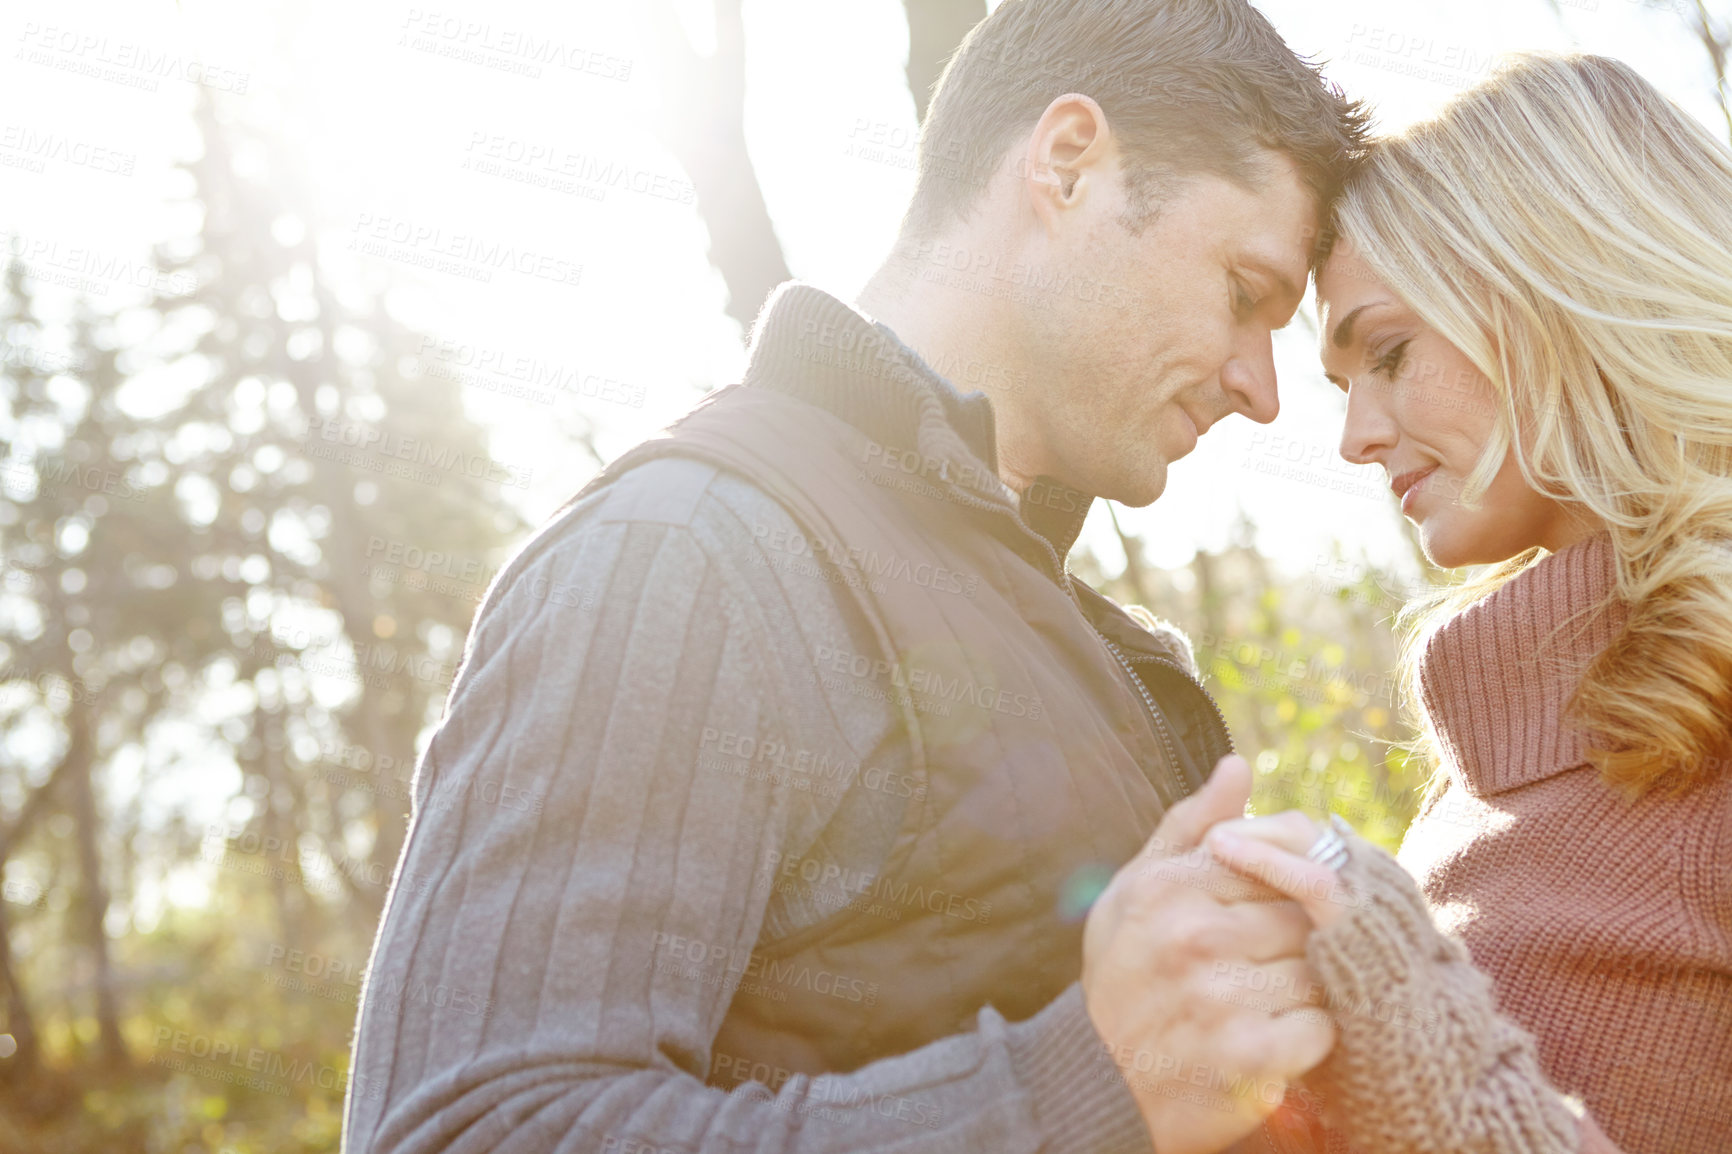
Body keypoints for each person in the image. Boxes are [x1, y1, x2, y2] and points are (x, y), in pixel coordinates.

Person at [339, 2, 1369, 1153]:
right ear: (1068, 163)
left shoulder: (1080, 637)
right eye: (1243, 292)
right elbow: (473, 1129)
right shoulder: (684, 557)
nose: (1260, 387)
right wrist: (1066, 1093)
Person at [1208, 52, 1732, 1154]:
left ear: (1562, 293)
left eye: (1388, 353)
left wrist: (1394, 983)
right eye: (1344, 385)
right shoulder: (1496, 744)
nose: (1355, 436)